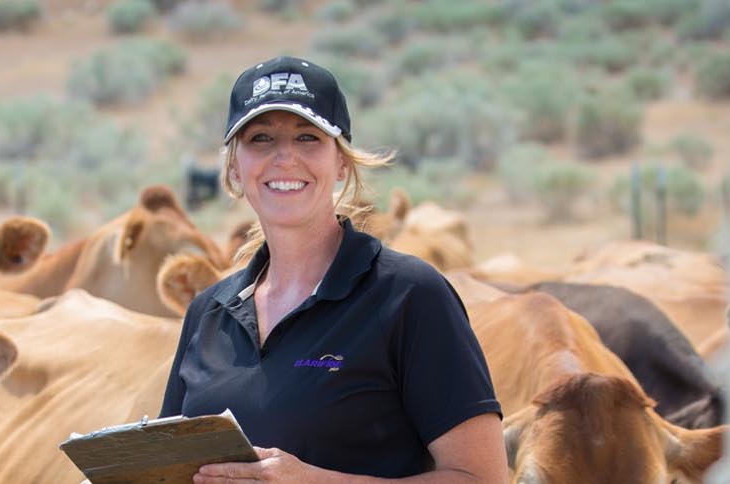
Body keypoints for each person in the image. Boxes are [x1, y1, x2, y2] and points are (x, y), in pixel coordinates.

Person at [159, 56, 507, 483]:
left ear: (341, 162)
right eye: (261, 138)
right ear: (234, 166)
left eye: (308, 138)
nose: (284, 158)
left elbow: (483, 478)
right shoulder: (207, 314)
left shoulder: (409, 296)